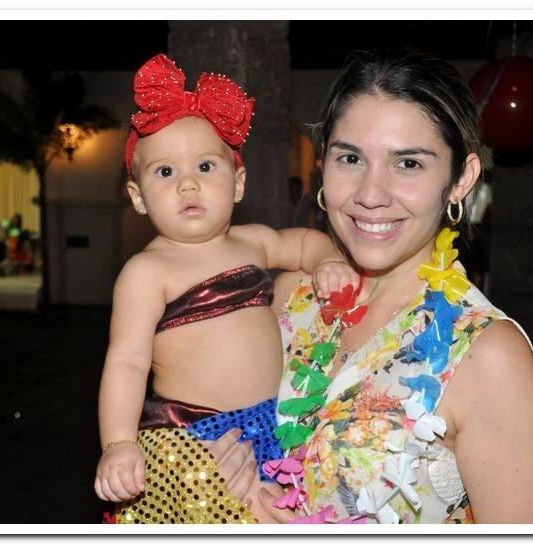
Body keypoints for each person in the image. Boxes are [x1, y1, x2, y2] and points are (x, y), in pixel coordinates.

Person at [211, 50, 533, 524]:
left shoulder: (487, 355)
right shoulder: (292, 296)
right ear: (322, 162)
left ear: (461, 179)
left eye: (409, 164)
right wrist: (215, 480)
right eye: (350, 158)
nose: (371, 195)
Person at [94, 53, 358, 524]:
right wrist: (118, 442)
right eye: (165, 172)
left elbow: (303, 243)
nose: (188, 184)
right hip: (193, 439)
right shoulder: (147, 271)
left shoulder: (251, 242)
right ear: (137, 197)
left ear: (238, 184)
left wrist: (329, 262)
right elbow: (127, 361)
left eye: (205, 166)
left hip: (269, 425)